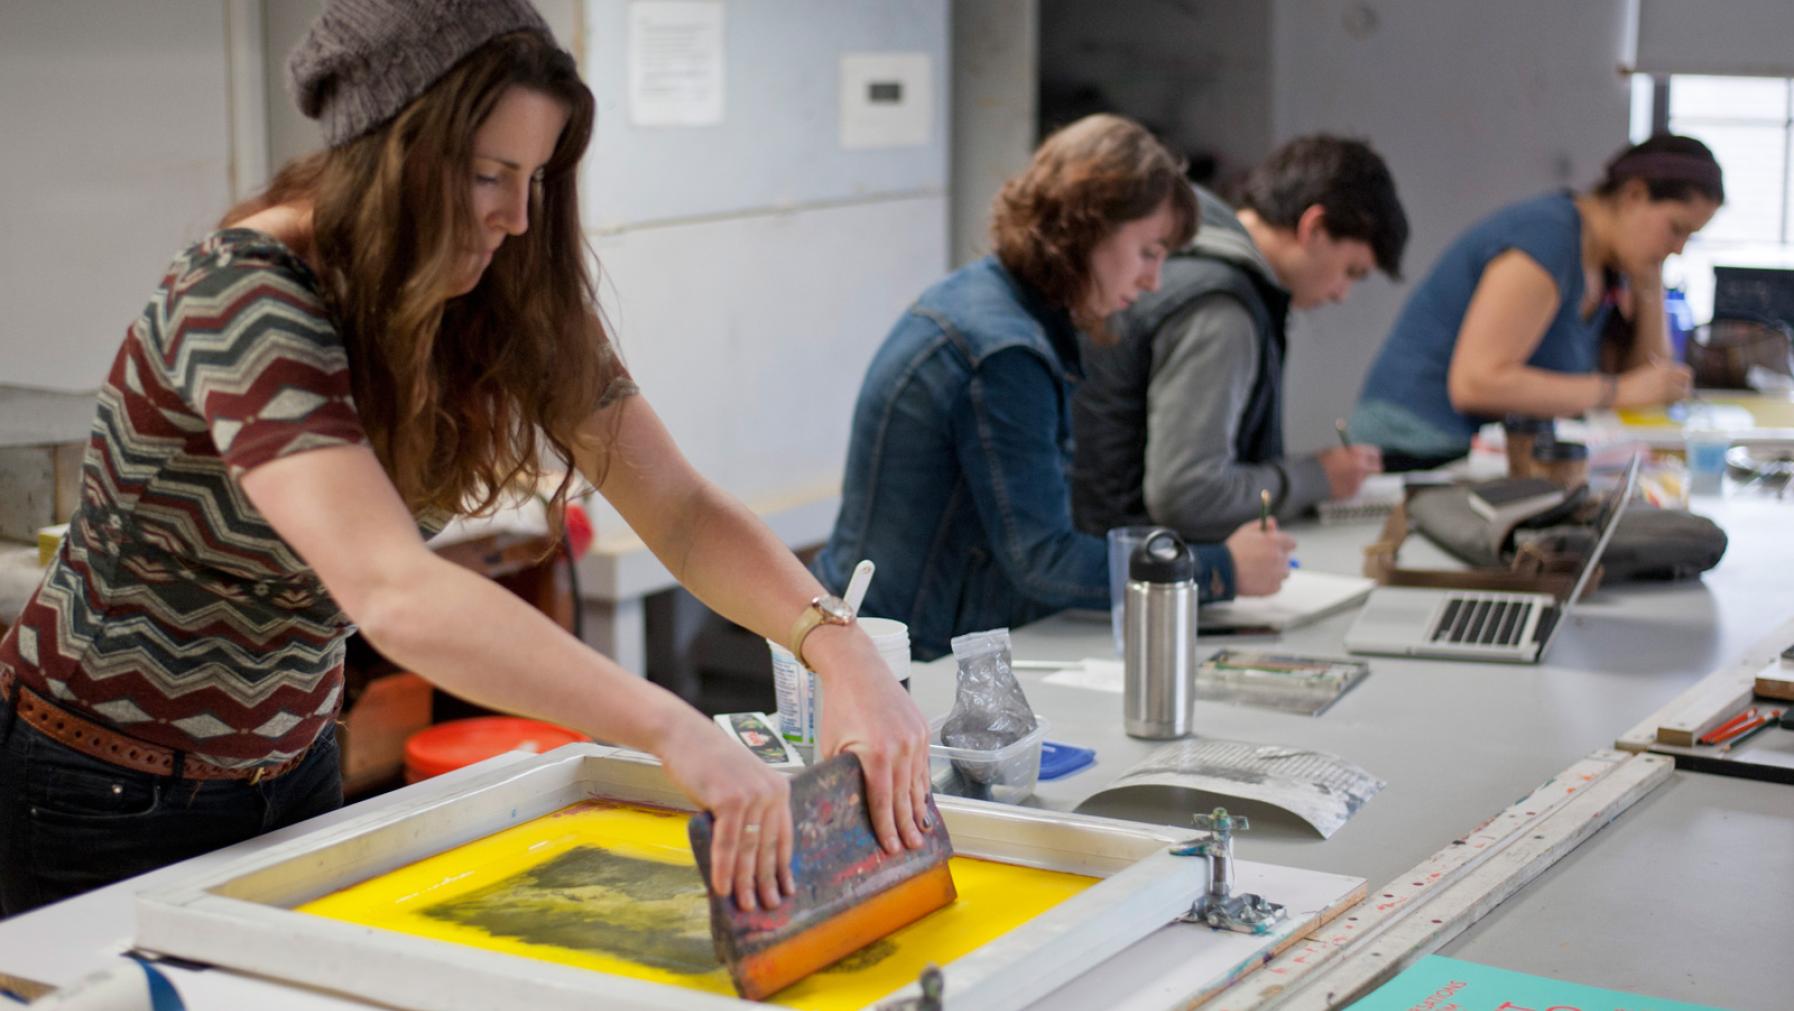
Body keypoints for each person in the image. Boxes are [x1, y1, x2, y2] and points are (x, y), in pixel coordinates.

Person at [0, 0, 929, 919]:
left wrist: (838, 648)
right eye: (490, 174)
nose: (519, 217)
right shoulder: (241, 295)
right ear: (397, 154)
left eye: (535, 176)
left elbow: (678, 508)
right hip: (97, 787)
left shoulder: (493, 289)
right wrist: (672, 729)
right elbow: (392, 589)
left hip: (293, 766)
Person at [812, 114, 1295, 663]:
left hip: (898, 635)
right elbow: (1043, 561)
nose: (1154, 282)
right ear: (1086, 228)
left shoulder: (990, 302)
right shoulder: (1004, 353)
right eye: (1148, 251)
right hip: (912, 661)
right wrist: (1218, 569)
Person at [1073, 135, 1410, 541]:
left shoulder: (1193, 255)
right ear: (1314, 228)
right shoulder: (1221, 309)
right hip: (1134, 575)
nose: (1342, 294)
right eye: (1351, 271)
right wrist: (1318, 476)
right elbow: (1187, 496)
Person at [1349, 134, 1722, 469]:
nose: (1678, 248)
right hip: (1413, 448)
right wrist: (1617, 392)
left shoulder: (1610, 265)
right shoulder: (1550, 237)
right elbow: (1477, 384)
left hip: (1477, 455)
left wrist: (1650, 282)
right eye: (1676, 229)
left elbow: (1649, 383)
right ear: (1634, 195)